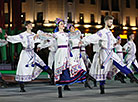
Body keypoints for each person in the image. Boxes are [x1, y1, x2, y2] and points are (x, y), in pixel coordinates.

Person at [80, 15, 138, 94]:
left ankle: (132, 77)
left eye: (112, 22)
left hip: (111, 52)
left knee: (120, 64)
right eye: (110, 22)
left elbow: (113, 41)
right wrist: (83, 41)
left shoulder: (110, 32)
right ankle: (102, 87)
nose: (111, 23)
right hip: (104, 52)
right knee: (103, 70)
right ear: (106, 22)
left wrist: (115, 43)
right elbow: (93, 37)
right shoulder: (101, 32)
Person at [35, 18, 86, 98]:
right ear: (58, 25)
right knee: (59, 69)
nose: (63, 25)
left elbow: (76, 34)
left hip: (67, 52)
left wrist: (81, 38)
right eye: (61, 24)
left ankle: (73, 81)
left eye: (63, 24)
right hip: (60, 52)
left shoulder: (67, 34)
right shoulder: (56, 34)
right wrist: (39, 34)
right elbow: (47, 35)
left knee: (72, 66)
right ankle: (59, 90)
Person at [4, 21, 53, 92]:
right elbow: (15, 38)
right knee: (22, 69)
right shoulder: (23, 35)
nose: (31, 26)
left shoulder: (33, 35)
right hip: (25, 53)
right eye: (29, 25)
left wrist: (45, 39)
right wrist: (8, 37)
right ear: (26, 26)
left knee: (41, 63)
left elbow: (40, 40)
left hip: (32, 52)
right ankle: (22, 87)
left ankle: (51, 74)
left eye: (31, 24)